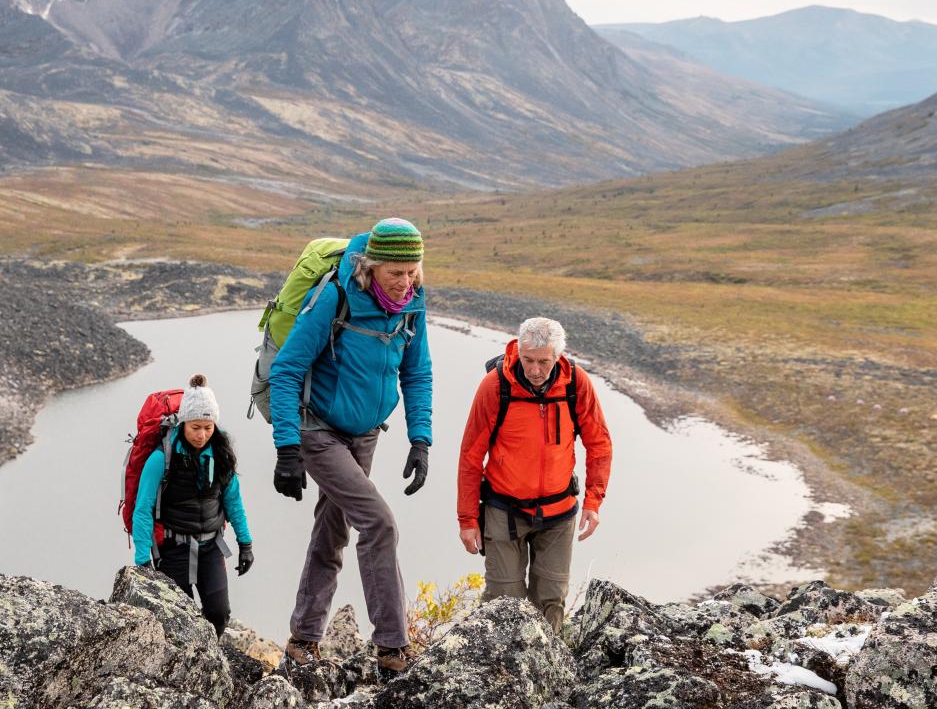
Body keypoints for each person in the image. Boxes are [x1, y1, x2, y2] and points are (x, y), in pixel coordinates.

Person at [269, 217, 432, 673]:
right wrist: (287, 448)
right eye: (395, 273)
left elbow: (417, 373)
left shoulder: (413, 304)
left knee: (332, 530)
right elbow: (286, 371)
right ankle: (392, 648)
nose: (405, 283)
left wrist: (421, 440)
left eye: (413, 272)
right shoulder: (336, 297)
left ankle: (303, 637)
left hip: (364, 435)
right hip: (319, 431)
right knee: (378, 524)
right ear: (372, 265)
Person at [457, 317, 612, 633]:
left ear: (558, 357)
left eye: (544, 361)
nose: (535, 369)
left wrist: (593, 502)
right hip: (504, 512)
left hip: (559, 514)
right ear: (518, 351)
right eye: (528, 360)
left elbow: (600, 444)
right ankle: (500, 674)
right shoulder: (495, 386)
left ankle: (549, 671)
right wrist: (467, 519)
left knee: (550, 601)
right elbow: (470, 455)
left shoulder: (576, 384)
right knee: (504, 605)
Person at [132, 373, 253, 636]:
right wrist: (142, 562)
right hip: (173, 549)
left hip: (211, 547)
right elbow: (143, 508)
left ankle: (209, 666)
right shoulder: (161, 459)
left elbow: (233, 501)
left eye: (208, 427)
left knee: (219, 615)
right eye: (195, 427)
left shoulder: (221, 455)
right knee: (178, 621)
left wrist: (246, 544)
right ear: (183, 423)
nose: (202, 435)